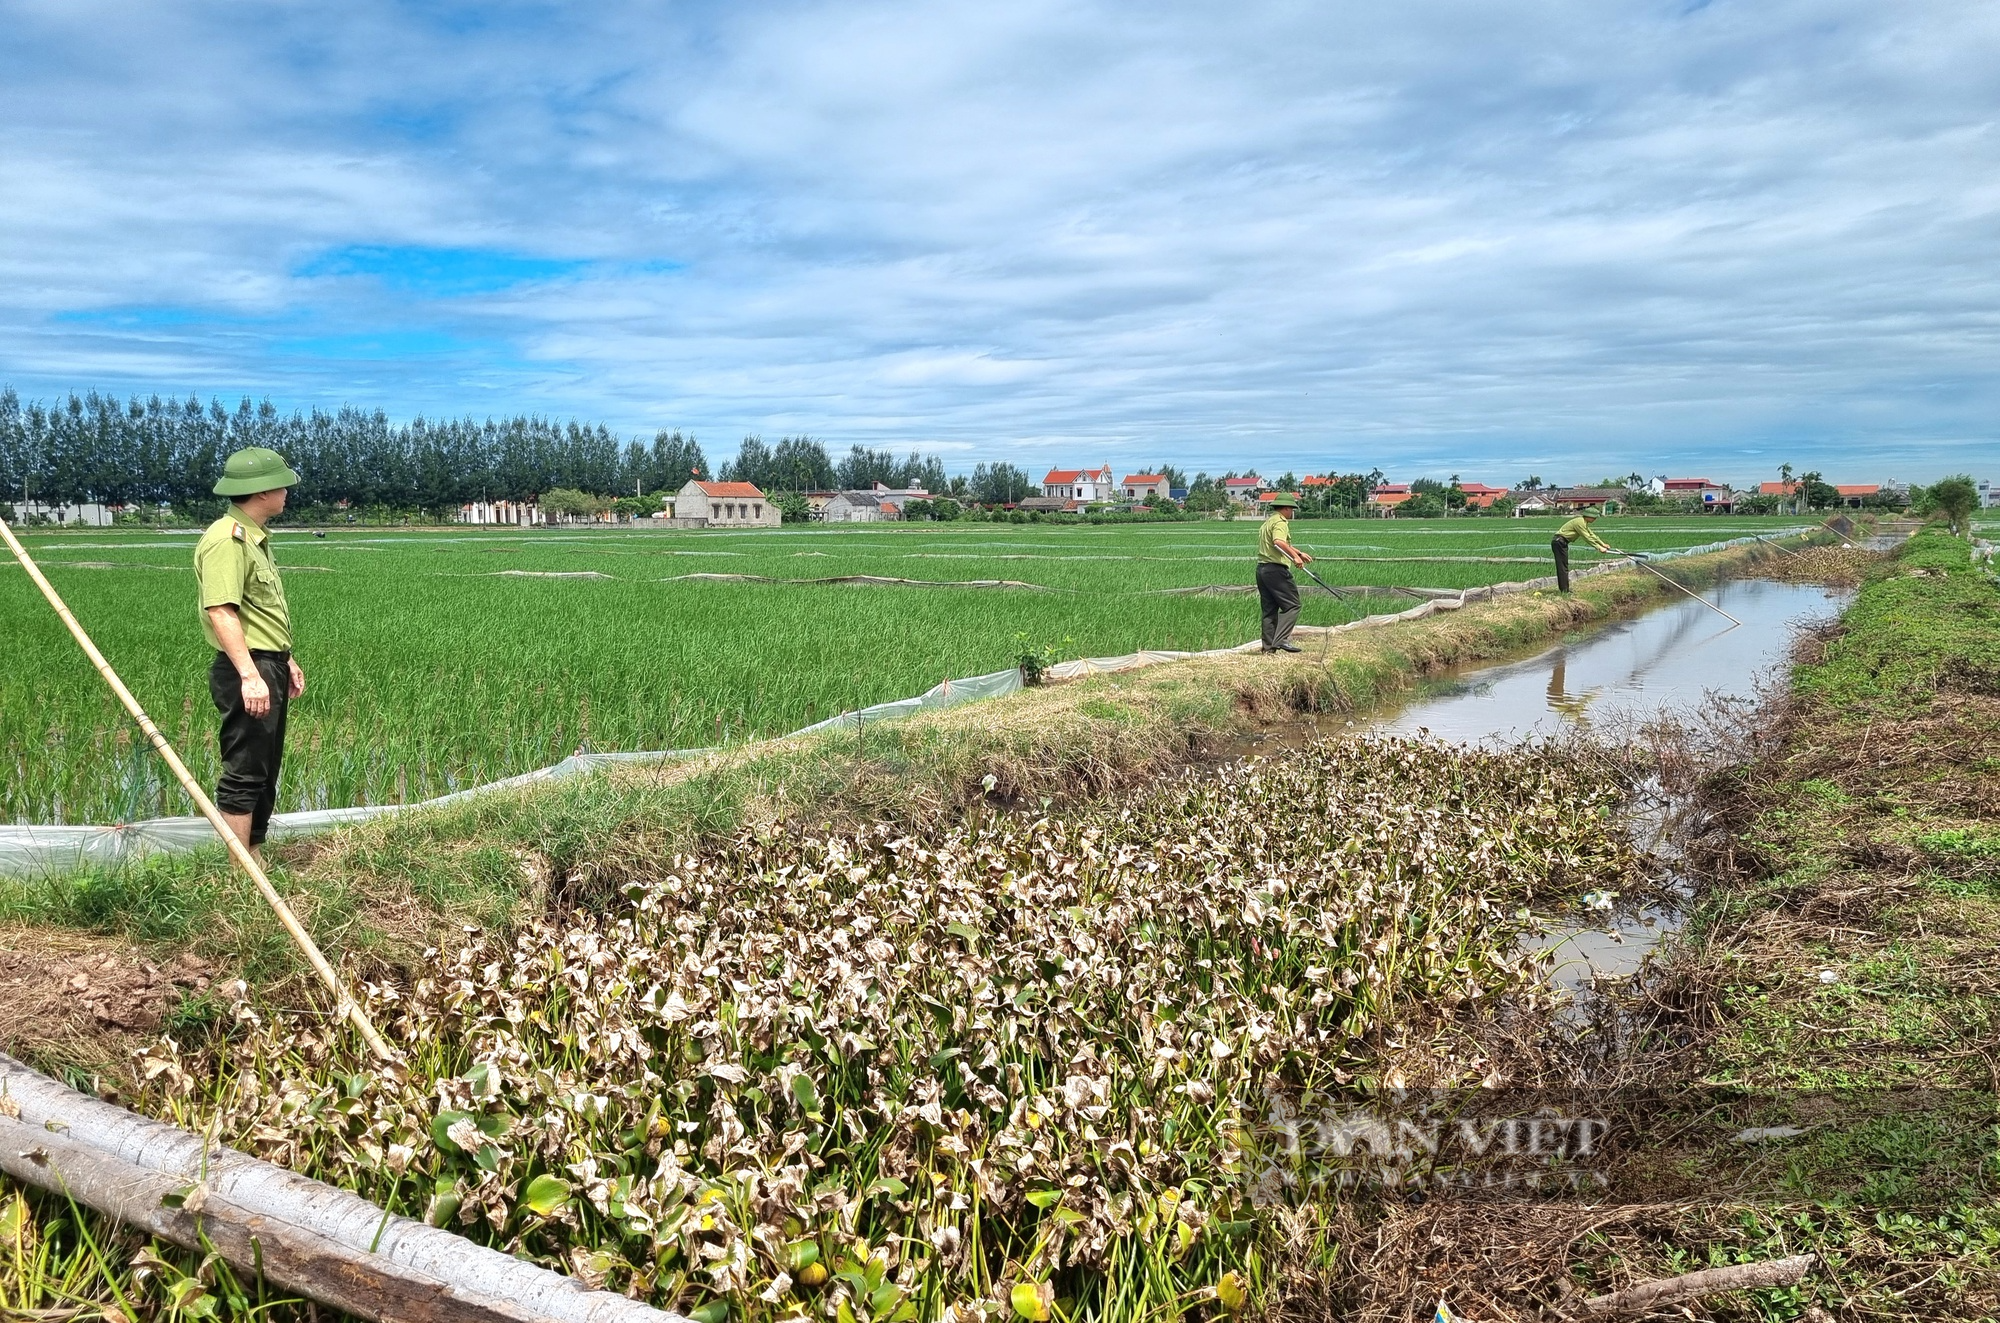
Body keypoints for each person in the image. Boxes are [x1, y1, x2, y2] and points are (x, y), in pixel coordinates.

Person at [194, 447, 305, 860]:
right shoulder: (227, 539)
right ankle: (239, 869)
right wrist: (249, 674)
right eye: (282, 485)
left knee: (264, 767)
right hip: (248, 667)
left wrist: (284, 659)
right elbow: (222, 611)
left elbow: (260, 612)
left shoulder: (256, 540)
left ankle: (254, 854)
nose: (287, 492)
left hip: (266, 662)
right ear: (261, 492)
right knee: (244, 768)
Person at [1256, 492, 1312, 653]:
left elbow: (1279, 543)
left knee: (1269, 610)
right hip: (1276, 570)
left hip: (1262, 569)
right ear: (1286, 508)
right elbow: (1278, 542)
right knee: (1293, 605)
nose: (1292, 513)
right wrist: (1295, 558)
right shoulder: (1281, 522)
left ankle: (1268, 648)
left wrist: (1299, 553)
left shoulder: (1268, 522)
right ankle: (1281, 640)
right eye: (1291, 509)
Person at [1551, 507, 1617, 593]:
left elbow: (1591, 535)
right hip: (1559, 542)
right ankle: (1564, 591)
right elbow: (1587, 537)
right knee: (1562, 567)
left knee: (1564, 566)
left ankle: (1565, 589)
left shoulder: (1583, 522)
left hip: (1562, 543)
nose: (1595, 519)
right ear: (1588, 516)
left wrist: (1602, 544)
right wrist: (1599, 547)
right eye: (1594, 517)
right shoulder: (1580, 522)